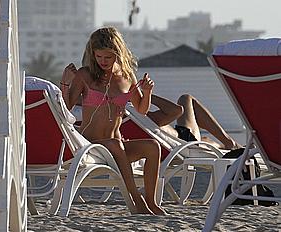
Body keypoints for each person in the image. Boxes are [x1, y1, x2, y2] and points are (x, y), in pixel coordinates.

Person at [60, 27, 165, 215]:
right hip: (91, 145)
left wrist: (148, 91)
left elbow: (141, 109)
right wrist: (65, 83)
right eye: (98, 57)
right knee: (116, 144)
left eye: (107, 57)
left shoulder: (126, 77)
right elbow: (65, 108)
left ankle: (151, 201)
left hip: (117, 147)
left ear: (118, 53)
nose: (102, 62)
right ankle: (137, 200)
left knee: (153, 146)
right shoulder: (85, 75)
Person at [147, 94, 240, 150]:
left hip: (182, 138)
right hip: (186, 141)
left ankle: (228, 146)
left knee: (205, 140)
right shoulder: (146, 116)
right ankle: (230, 143)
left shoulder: (138, 116)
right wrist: (147, 95)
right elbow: (177, 111)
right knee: (186, 98)